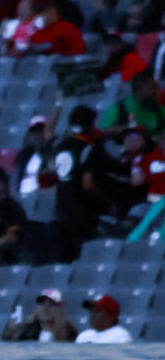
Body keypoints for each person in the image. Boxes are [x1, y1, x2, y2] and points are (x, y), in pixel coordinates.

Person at [53, 106, 114, 262]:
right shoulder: (89, 149)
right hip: (83, 209)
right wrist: (108, 202)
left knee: (69, 258)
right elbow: (88, 184)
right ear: (90, 125)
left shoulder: (61, 146)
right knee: (87, 255)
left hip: (62, 207)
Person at [100, 72, 165, 136]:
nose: (158, 91)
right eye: (153, 87)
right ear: (138, 91)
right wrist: (129, 129)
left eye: (157, 87)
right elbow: (103, 129)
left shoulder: (160, 111)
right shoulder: (120, 107)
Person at [2, 288, 77, 342]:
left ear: (60, 308)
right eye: (42, 302)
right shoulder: (28, 332)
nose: (45, 307)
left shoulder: (70, 333)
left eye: (51, 303)